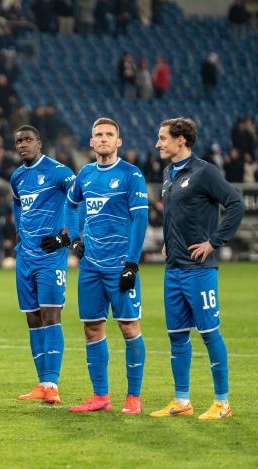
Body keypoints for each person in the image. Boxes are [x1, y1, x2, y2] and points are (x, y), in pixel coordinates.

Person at [150, 118, 245, 420]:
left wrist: (214, 242)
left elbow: (236, 204)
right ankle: (182, 401)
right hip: (173, 269)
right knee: (177, 336)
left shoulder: (205, 172)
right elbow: (177, 216)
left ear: (181, 140)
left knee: (209, 333)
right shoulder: (167, 173)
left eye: (163, 138)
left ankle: (222, 403)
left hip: (200, 270)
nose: (158, 144)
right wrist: (169, 240)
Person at [64, 118, 149, 414]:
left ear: (118, 141)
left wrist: (131, 264)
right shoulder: (85, 174)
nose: (103, 139)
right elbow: (70, 206)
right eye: (98, 135)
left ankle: (133, 397)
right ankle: (101, 397)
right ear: (91, 142)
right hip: (90, 267)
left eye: (109, 134)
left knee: (128, 328)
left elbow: (140, 220)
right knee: (92, 329)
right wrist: (74, 239)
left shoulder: (131, 175)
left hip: (119, 266)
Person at [10, 125, 76, 405]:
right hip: (25, 257)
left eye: (28, 140)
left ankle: (52, 383)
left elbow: (79, 200)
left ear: (39, 143)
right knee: (32, 317)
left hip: (51, 257)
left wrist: (66, 237)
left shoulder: (58, 171)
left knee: (51, 315)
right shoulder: (17, 177)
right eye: (18, 141)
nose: (23, 144)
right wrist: (18, 233)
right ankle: (41, 383)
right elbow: (17, 207)